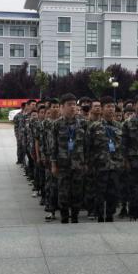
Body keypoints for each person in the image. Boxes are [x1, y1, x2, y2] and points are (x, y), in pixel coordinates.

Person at [51, 93, 88, 223]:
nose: (72, 107)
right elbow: (53, 146)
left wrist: (86, 163)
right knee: (63, 192)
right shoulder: (56, 124)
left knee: (77, 192)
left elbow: (86, 145)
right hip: (63, 165)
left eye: (74, 104)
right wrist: (54, 164)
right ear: (62, 107)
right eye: (69, 105)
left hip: (78, 164)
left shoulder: (83, 123)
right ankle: (64, 216)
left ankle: (75, 217)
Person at [88, 96, 123, 222]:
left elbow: (122, 146)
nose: (111, 109)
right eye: (108, 107)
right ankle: (99, 216)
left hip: (115, 166)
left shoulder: (119, 126)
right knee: (99, 193)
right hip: (100, 166)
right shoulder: (94, 127)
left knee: (113, 194)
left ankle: (110, 215)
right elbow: (88, 146)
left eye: (112, 107)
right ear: (102, 109)